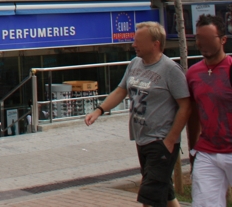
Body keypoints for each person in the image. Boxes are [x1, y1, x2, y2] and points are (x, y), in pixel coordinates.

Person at [85, 21, 190, 207]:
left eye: (138, 41)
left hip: (160, 141)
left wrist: (170, 140)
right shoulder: (135, 64)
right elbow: (121, 90)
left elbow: (186, 106)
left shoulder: (170, 70)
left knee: (148, 196)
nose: (133, 45)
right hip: (142, 140)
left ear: (155, 44)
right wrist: (99, 110)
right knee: (165, 191)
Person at [185, 14, 232, 207]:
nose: (202, 43)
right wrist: (193, 149)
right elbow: (192, 114)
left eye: (207, 38)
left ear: (223, 40)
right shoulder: (193, 73)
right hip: (207, 152)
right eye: (199, 38)